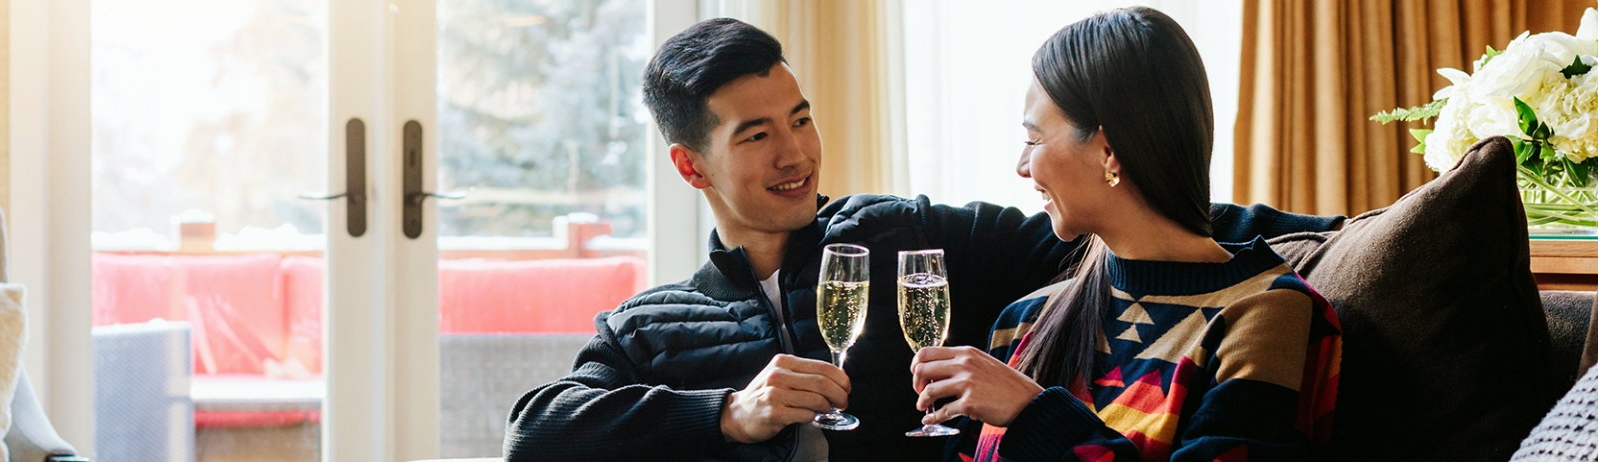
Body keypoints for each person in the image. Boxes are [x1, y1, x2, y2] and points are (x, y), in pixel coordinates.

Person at [504, 17, 1342, 462]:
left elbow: (1141, 225)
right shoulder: (654, 322)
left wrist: (1320, 237)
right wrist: (726, 412)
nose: (796, 152)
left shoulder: (908, 236)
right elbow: (536, 433)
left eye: (801, 119)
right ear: (692, 168)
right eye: (757, 135)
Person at [908, 7, 1341, 462]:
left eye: (1034, 140)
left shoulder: (1265, 315)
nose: (1021, 166)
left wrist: (1033, 412)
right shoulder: (1025, 324)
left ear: (1108, 150)